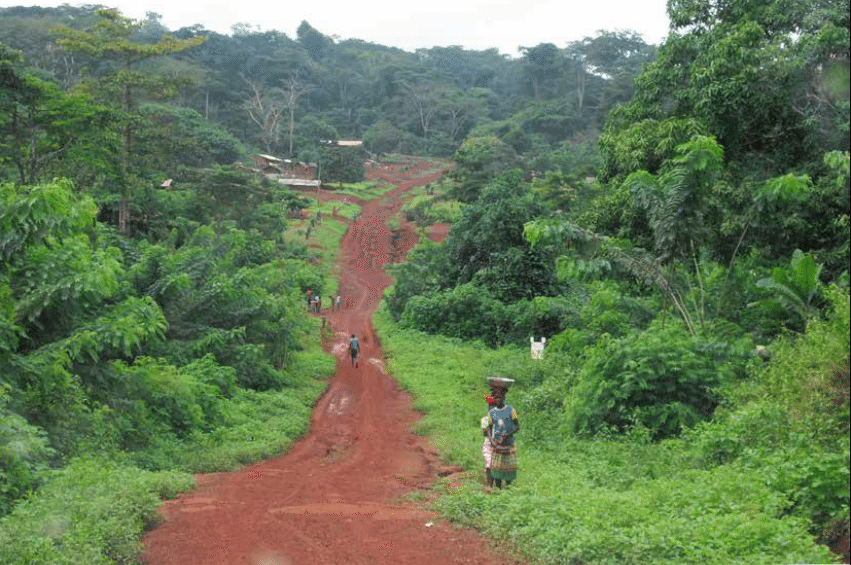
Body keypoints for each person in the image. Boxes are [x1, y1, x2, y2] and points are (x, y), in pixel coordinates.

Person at [487, 389, 519, 488]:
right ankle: (498, 489)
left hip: (509, 443)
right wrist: (491, 440)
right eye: (496, 397)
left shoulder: (511, 410)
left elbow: (517, 427)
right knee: (497, 469)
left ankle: (508, 489)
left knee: (509, 468)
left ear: (504, 398)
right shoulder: (491, 413)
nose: (498, 399)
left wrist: (508, 434)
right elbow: (489, 428)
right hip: (497, 444)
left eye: (500, 397)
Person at [481, 394, 497, 488]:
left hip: (499, 443)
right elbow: (485, 433)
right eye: (490, 407)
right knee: (489, 463)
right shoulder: (485, 419)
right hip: (489, 444)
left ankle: (492, 485)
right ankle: (490, 485)